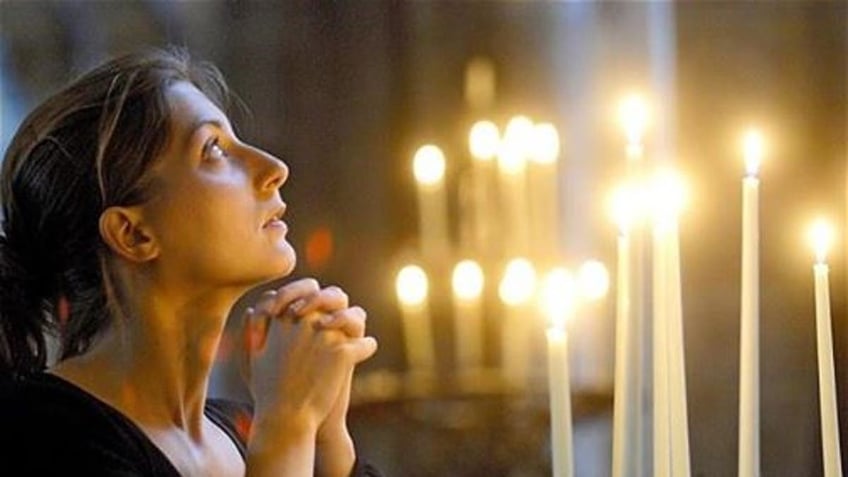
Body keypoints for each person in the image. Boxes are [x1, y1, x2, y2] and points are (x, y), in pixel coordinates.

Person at [0, 46, 382, 476]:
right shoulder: (40, 436)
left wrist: (327, 442)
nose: (274, 168)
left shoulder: (243, 432)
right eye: (213, 149)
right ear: (134, 233)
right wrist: (287, 426)